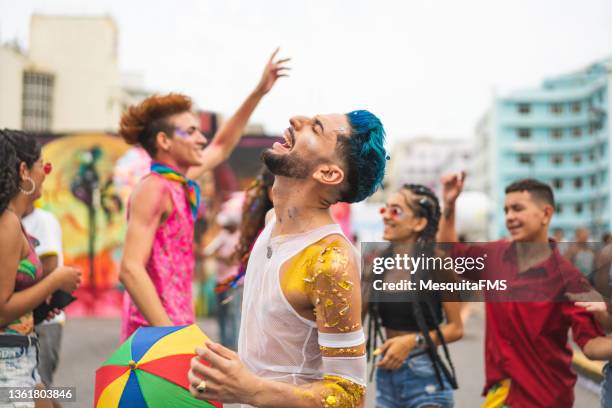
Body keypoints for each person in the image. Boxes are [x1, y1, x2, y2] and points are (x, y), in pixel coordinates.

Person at [188, 110, 387, 407]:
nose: (296, 119)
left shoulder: (330, 261)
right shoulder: (271, 222)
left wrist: (249, 389)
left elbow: (350, 395)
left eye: (316, 128)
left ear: (329, 173)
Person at [118, 49, 289, 340]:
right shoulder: (153, 187)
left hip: (176, 324)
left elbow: (222, 146)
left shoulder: (177, 183)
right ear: (164, 141)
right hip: (153, 332)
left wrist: (258, 92)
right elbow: (131, 269)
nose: (201, 139)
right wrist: (172, 335)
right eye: (191, 131)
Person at [438, 173, 609, 408]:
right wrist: (449, 204)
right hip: (501, 396)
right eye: (506, 210)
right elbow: (450, 254)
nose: (510, 217)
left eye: (518, 209)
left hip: (547, 399)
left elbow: (591, 345)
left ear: (546, 214)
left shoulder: (569, 280)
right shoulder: (493, 256)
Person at [0, 130, 81, 407]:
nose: (46, 174)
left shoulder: (14, 221)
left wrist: (40, 308)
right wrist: (55, 280)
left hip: (21, 359)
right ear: (24, 170)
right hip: (8, 367)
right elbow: (1, 309)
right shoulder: (7, 223)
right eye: (42, 166)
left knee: (53, 400)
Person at [364, 184, 463, 408]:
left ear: (419, 222)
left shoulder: (437, 264)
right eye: (385, 209)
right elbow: (354, 322)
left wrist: (413, 341)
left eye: (396, 211)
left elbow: (456, 328)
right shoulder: (377, 265)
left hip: (425, 378)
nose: (386, 217)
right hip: (386, 376)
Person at [22, 203, 66, 408]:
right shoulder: (11, 221)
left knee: (40, 388)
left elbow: (51, 266)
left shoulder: (43, 221)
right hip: (23, 318)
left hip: (44, 321)